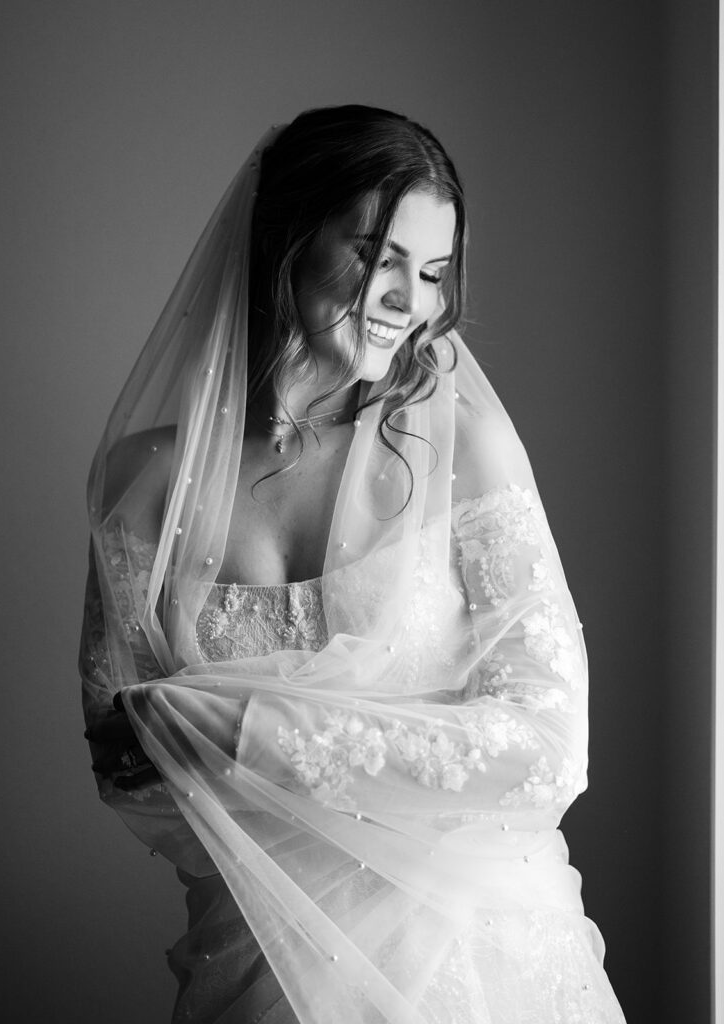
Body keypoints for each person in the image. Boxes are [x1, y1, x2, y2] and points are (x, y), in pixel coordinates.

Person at [81, 105, 626, 1023]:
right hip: (257, 952)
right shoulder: (145, 483)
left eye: (432, 272)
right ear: (289, 242)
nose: (407, 300)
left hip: (474, 960)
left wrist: (248, 728)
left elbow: (546, 746)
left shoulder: (464, 443)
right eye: (377, 256)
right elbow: (121, 755)